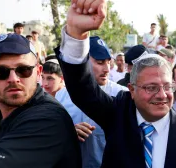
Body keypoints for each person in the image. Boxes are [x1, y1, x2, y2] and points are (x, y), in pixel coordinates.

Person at [56, 1, 176, 167]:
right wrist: (76, 33)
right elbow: (82, 89)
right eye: (151, 87)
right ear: (132, 90)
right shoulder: (118, 115)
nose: (162, 95)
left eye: (167, 87)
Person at [0, 33, 81, 167]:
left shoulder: (49, 118)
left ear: (38, 72)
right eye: (0, 72)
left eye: (23, 70)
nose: (13, 79)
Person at [54, 37, 128, 168]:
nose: (107, 69)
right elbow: (52, 136)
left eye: (108, 62)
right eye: (100, 62)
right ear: (82, 62)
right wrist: (68, 132)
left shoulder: (122, 95)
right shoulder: (62, 96)